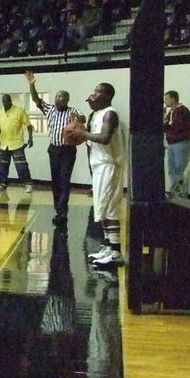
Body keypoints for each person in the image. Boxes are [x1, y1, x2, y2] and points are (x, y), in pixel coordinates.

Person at [68, 83, 125, 268]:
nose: (93, 95)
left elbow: (105, 138)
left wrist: (83, 134)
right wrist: (81, 130)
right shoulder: (96, 115)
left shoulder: (110, 113)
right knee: (102, 208)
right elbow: (93, 142)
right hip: (100, 166)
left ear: (108, 95)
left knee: (109, 208)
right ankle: (108, 246)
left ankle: (116, 252)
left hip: (110, 166)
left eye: (97, 91)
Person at [26, 72, 79, 223]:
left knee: (64, 180)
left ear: (67, 100)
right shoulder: (50, 109)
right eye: (56, 98)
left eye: (60, 98)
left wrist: (78, 120)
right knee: (55, 181)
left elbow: (82, 118)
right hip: (54, 149)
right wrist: (31, 84)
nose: (57, 100)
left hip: (67, 150)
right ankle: (58, 210)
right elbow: (36, 99)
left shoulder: (72, 111)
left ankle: (62, 211)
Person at [0, 93, 33, 193]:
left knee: (21, 166)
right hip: (4, 144)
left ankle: (28, 184)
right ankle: (3, 183)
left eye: (7, 101)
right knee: (2, 165)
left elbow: (28, 125)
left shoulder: (19, 111)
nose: (5, 103)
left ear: (10, 101)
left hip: (17, 144)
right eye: (3, 101)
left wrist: (30, 138)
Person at [163, 90, 190, 197]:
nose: (165, 101)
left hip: (180, 143)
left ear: (173, 99)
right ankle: (175, 192)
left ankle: (182, 193)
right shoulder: (170, 113)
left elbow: (177, 126)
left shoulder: (182, 111)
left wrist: (168, 125)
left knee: (180, 169)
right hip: (171, 143)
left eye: (166, 99)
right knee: (172, 169)